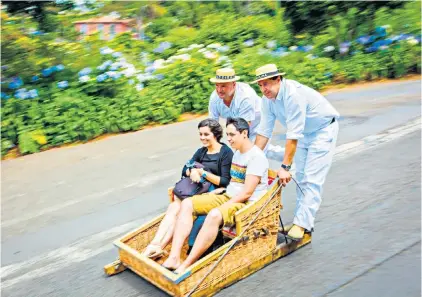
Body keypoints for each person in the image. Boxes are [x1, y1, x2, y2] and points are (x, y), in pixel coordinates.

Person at [162, 117, 269, 273]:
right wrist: (221, 191)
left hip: (247, 204)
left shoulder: (256, 157)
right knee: (187, 203)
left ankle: (188, 263)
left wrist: (224, 204)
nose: (229, 139)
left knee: (214, 215)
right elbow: (233, 181)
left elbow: (246, 192)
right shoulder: (238, 153)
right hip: (229, 195)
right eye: (228, 135)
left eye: (232, 135)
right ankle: (174, 257)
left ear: (244, 133)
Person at [252, 64, 340, 240]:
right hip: (305, 134)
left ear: (278, 79)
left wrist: (285, 166)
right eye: (260, 85)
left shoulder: (293, 94)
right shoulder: (267, 100)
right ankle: (301, 221)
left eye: (266, 84)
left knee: (311, 179)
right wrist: (251, 157)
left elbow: (292, 136)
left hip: (322, 131)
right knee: (301, 177)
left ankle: (302, 224)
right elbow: (264, 131)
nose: (263, 89)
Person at [142, 119, 234, 258]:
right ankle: (156, 245)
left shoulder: (225, 152)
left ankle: (159, 248)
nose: (202, 138)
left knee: (179, 210)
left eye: (206, 134)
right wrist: (192, 171)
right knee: (173, 208)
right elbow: (185, 168)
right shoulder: (202, 152)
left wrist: (202, 172)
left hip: (213, 192)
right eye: (200, 134)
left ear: (215, 134)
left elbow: (225, 181)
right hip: (197, 189)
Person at [208, 68, 262, 143]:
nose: (219, 90)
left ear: (233, 84)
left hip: (258, 125)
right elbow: (212, 124)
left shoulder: (245, 96)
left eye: (223, 86)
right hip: (236, 125)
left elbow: (243, 130)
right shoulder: (214, 97)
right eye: (217, 85)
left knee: (255, 152)